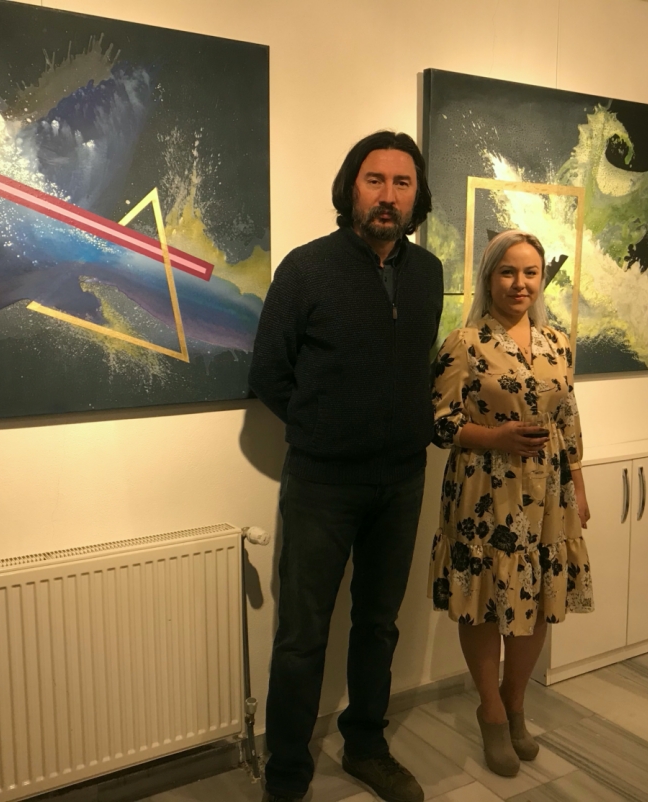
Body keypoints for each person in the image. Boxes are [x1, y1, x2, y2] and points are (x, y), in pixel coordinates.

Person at [248, 131, 443, 802]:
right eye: (374, 180)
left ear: (416, 196)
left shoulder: (429, 274)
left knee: (379, 625)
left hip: (403, 480)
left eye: (401, 183)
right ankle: (287, 776)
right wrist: (324, 429)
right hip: (322, 484)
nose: (388, 195)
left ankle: (366, 747)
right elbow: (269, 373)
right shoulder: (306, 269)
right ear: (350, 189)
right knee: (302, 637)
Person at [428, 229, 593, 777]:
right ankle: (491, 712)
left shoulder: (558, 343)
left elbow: (568, 418)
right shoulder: (464, 343)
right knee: (483, 599)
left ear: (541, 278)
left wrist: (579, 485)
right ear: (489, 277)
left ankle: (515, 702)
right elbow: (438, 422)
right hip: (483, 490)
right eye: (508, 272)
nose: (519, 283)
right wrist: (494, 437)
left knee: (539, 596)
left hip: (548, 494)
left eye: (530, 272)